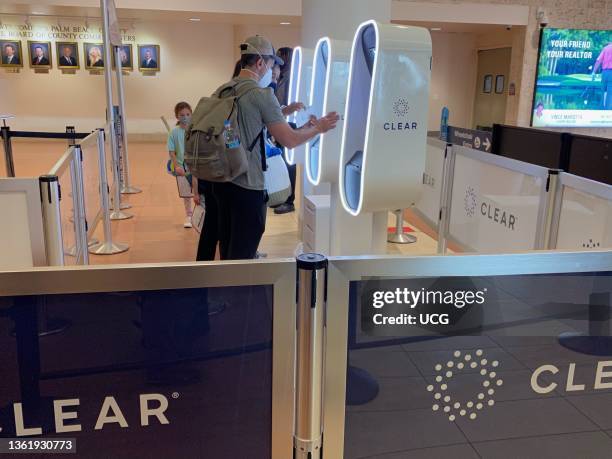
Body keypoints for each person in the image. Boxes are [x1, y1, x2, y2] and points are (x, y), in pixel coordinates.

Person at [211, 35, 339, 260]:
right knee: (244, 250)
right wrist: (319, 128)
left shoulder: (223, 90)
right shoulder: (262, 95)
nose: (273, 71)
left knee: (229, 244)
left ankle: (225, 291)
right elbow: (289, 140)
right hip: (247, 185)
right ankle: (241, 292)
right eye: (271, 65)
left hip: (222, 182)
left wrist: (302, 128)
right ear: (260, 63)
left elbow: (234, 131)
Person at [272, 47, 299, 215]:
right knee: (281, 163)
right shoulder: (279, 78)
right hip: (279, 122)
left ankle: (289, 200)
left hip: (288, 123)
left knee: (289, 163)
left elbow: (288, 103)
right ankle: (282, 196)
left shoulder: (291, 78)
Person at [167, 102, 194, 228]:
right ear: (177, 116)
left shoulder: (195, 130)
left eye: (188, 114)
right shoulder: (174, 133)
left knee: (199, 192)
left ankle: (200, 214)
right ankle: (188, 215)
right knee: (186, 193)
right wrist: (176, 165)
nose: (185, 117)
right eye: (182, 115)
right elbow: (171, 151)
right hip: (181, 167)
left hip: (195, 166)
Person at [592, 41, 612, 109]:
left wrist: (594, 72)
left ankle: (602, 109)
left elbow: (598, 60)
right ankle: (608, 110)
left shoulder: (605, 48)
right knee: (610, 93)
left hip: (605, 72)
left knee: (603, 91)